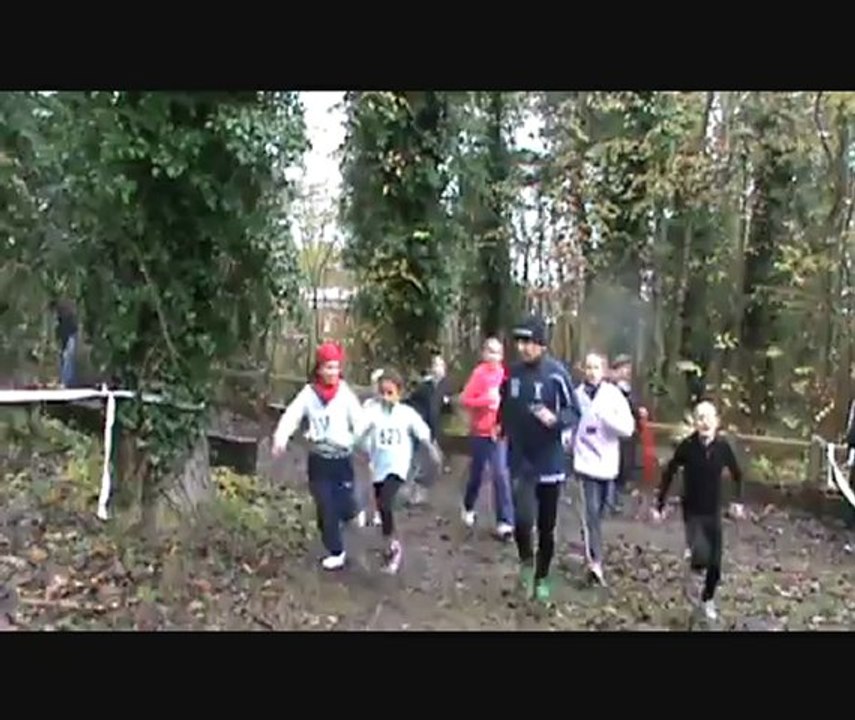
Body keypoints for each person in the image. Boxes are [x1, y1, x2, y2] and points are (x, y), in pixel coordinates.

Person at [499, 316, 581, 602]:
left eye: (529, 342)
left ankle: (543, 577)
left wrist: (555, 420)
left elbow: (574, 413)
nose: (523, 348)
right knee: (522, 521)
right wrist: (501, 427)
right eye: (520, 342)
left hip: (549, 461)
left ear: (542, 345)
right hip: (520, 459)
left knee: (546, 525)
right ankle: (525, 564)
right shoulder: (512, 374)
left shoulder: (557, 374)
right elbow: (504, 405)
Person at [271, 342, 366, 571]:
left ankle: (354, 511)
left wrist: (363, 443)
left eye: (335, 368)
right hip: (319, 460)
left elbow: (360, 422)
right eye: (328, 368)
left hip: (342, 459)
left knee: (344, 501)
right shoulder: (308, 394)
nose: (332, 373)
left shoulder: (345, 394)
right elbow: (291, 416)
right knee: (325, 506)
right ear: (319, 369)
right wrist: (280, 438)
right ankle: (336, 551)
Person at [652, 400, 745, 622]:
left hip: (713, 509)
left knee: (716, 563)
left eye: (708, 417)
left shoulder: (723, 448)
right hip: (692, 511)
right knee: (701, 554)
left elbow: (737, 474)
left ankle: (707, 599)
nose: (704, 422)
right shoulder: (687, 446)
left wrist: (737, 501)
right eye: (700, 417)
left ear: (717, 422)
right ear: (694, 422)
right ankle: (693, 567)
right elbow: (669, 472)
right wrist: (659, 504)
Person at [359, 369, 443, 574]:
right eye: (383, 393)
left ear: (399, 393)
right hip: (378, 466)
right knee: (381, 506)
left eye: (390, 393)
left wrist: (432, 451)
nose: (386, 398)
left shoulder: (406, 414)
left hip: (398, 466)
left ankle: (394, 547)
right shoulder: (372, 411)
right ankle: (389, 544)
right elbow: (359, 429)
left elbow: (422, 431)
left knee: (386, 502)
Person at [571, 352, 635, 586]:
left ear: (605, 370)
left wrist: (607, 419)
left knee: (603, 510)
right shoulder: (576, 396)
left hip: (607, 463)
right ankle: (594, 563)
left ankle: (594, 551)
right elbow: (570, 423)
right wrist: (567, 438)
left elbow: (628, 429)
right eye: (588, 367)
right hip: (584, 462)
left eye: (596, 367)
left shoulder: (613, 395)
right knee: (591, 514)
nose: (591, 371)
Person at [460, 337, 514, 539]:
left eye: (497, 352)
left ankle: (505, 522)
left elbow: (511, 402)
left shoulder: (505, 376)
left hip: (499, 432)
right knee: (477, 474)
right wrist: (486, 401)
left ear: (502, 356)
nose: (493, 356)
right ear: (483, 354)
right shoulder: (479, 374)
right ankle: (468, 505)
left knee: (501, 474)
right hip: (480, 433)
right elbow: (465, 399)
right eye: (490, 352)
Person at [404, 354, 452, 504]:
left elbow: (442, 409)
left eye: (441, 366)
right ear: (431, 369)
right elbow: (410, 402)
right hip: (419, 430)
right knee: (418, 461)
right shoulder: (425, 388)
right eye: (435, 365)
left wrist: (448, 404)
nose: (438, 369)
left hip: (432, 431)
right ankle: (411, 493)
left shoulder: (444, 386)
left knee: (435, 463)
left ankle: (417, 486)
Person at [608, 354, 648, 513]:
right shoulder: (610, 389)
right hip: (616, 436)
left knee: (625, 467)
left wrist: (639, 412)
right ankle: (610, 502)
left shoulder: (629, 389)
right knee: (614, 468)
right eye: (623, 368)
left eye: (628, 369)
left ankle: (615, 500)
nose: (627, 372)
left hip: (629, 435)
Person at [51, 298, 78, 388]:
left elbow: (66, 329)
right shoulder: (61, 319)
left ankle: (67, 381)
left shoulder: (64, 316)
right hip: (68, 336)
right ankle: (66, 380)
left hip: (70, 336)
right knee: (66, 358)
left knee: (68, 358)